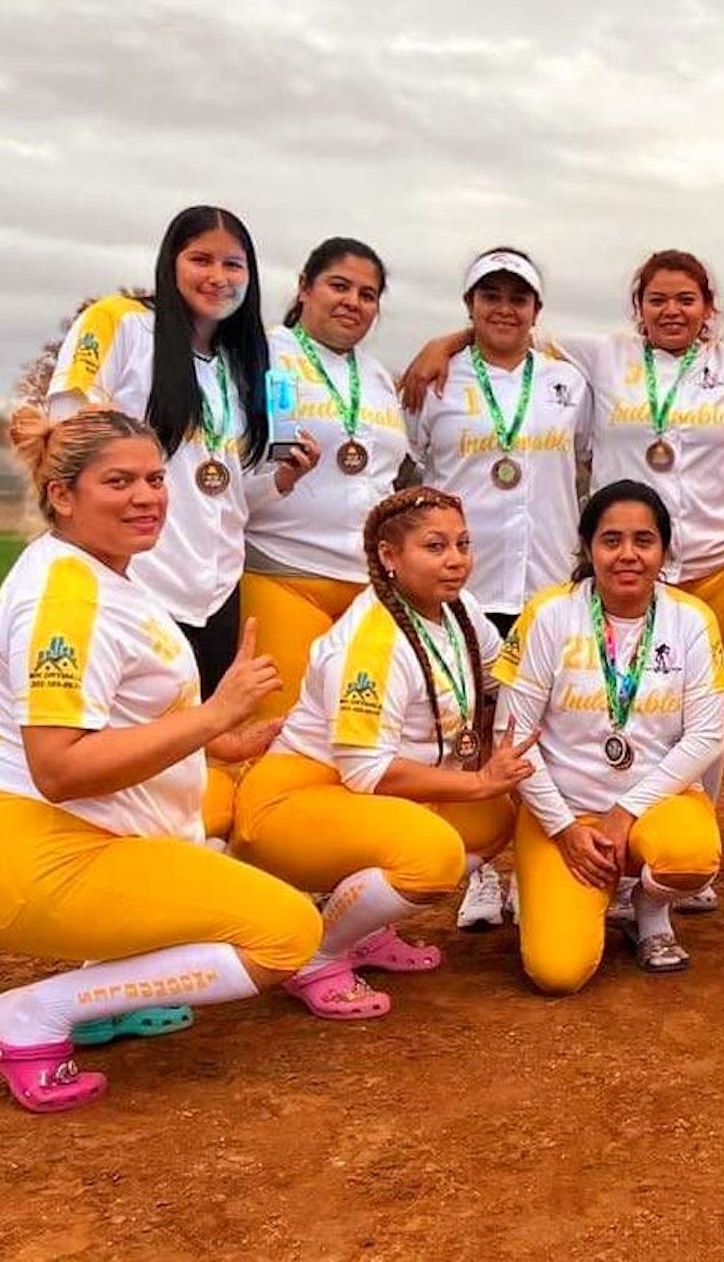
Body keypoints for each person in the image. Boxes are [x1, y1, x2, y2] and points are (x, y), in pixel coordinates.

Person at [0, 407, 321, 1114]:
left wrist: (220, 741)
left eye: (153, 477)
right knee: (286, 933)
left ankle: (105, 984)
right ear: (63, 494)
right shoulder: (67, 599)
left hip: (79, 838)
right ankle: (31, 1013)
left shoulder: (97, 572)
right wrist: (215, 713)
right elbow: (58, 766)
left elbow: (124, 717)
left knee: (209, 850)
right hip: (42, 854)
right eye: (118, 481)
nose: (146, 496)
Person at [229, 488, 533, 1018]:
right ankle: (316, 955)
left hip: (346, 794)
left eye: (463, 543)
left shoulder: (458, 609)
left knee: (490, 819)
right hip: (291, 803)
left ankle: (363, 932)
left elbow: (499, 672)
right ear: (390, 557)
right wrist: (478, 780)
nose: (456, 559)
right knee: (433, 853)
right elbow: (368, 772)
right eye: (435, 546)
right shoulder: (371, 644)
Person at [47, 205, 318, 693]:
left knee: (198, 754)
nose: (218, 277)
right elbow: (66, 434)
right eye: (201, 260)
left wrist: (282, 478)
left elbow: (225, 493)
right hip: (133, 581)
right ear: (171, 262)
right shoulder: (119, 324)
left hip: (215, 592)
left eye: (233, 265)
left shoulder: (244, 363)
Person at [406, 248, 590, 930]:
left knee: (551, 724)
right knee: (471, 730)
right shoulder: (436, 380)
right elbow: (412, 466)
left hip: (546, 581)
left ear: (537, 310)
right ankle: (480, 873)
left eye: (519, 296)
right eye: (490, 296)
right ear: (470, 307)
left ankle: (547, 856)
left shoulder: (569, 382)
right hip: (465, 586)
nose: (504, 307)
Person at [496, 482, 724, 988]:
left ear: (664, 550)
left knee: (690, 855)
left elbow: (707, 736)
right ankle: (563, 887)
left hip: (654, 806)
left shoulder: (691, 618)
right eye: (612, 540)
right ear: (587, 546)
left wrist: (626, 810)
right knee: (557, 972)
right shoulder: (549, 613)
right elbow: (512, 739)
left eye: (644, 541)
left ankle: (649, 912)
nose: (628, 555)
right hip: (563, 811)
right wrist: (564, 828)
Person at [243, 237, 408, 719]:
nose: (352, 302)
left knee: (358, 736)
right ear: (303, 288)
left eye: (367, 294)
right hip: (282, 571)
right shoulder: (258, 354)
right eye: (339, 286)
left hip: (370, 585)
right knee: (278, 731)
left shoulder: (376, 377)